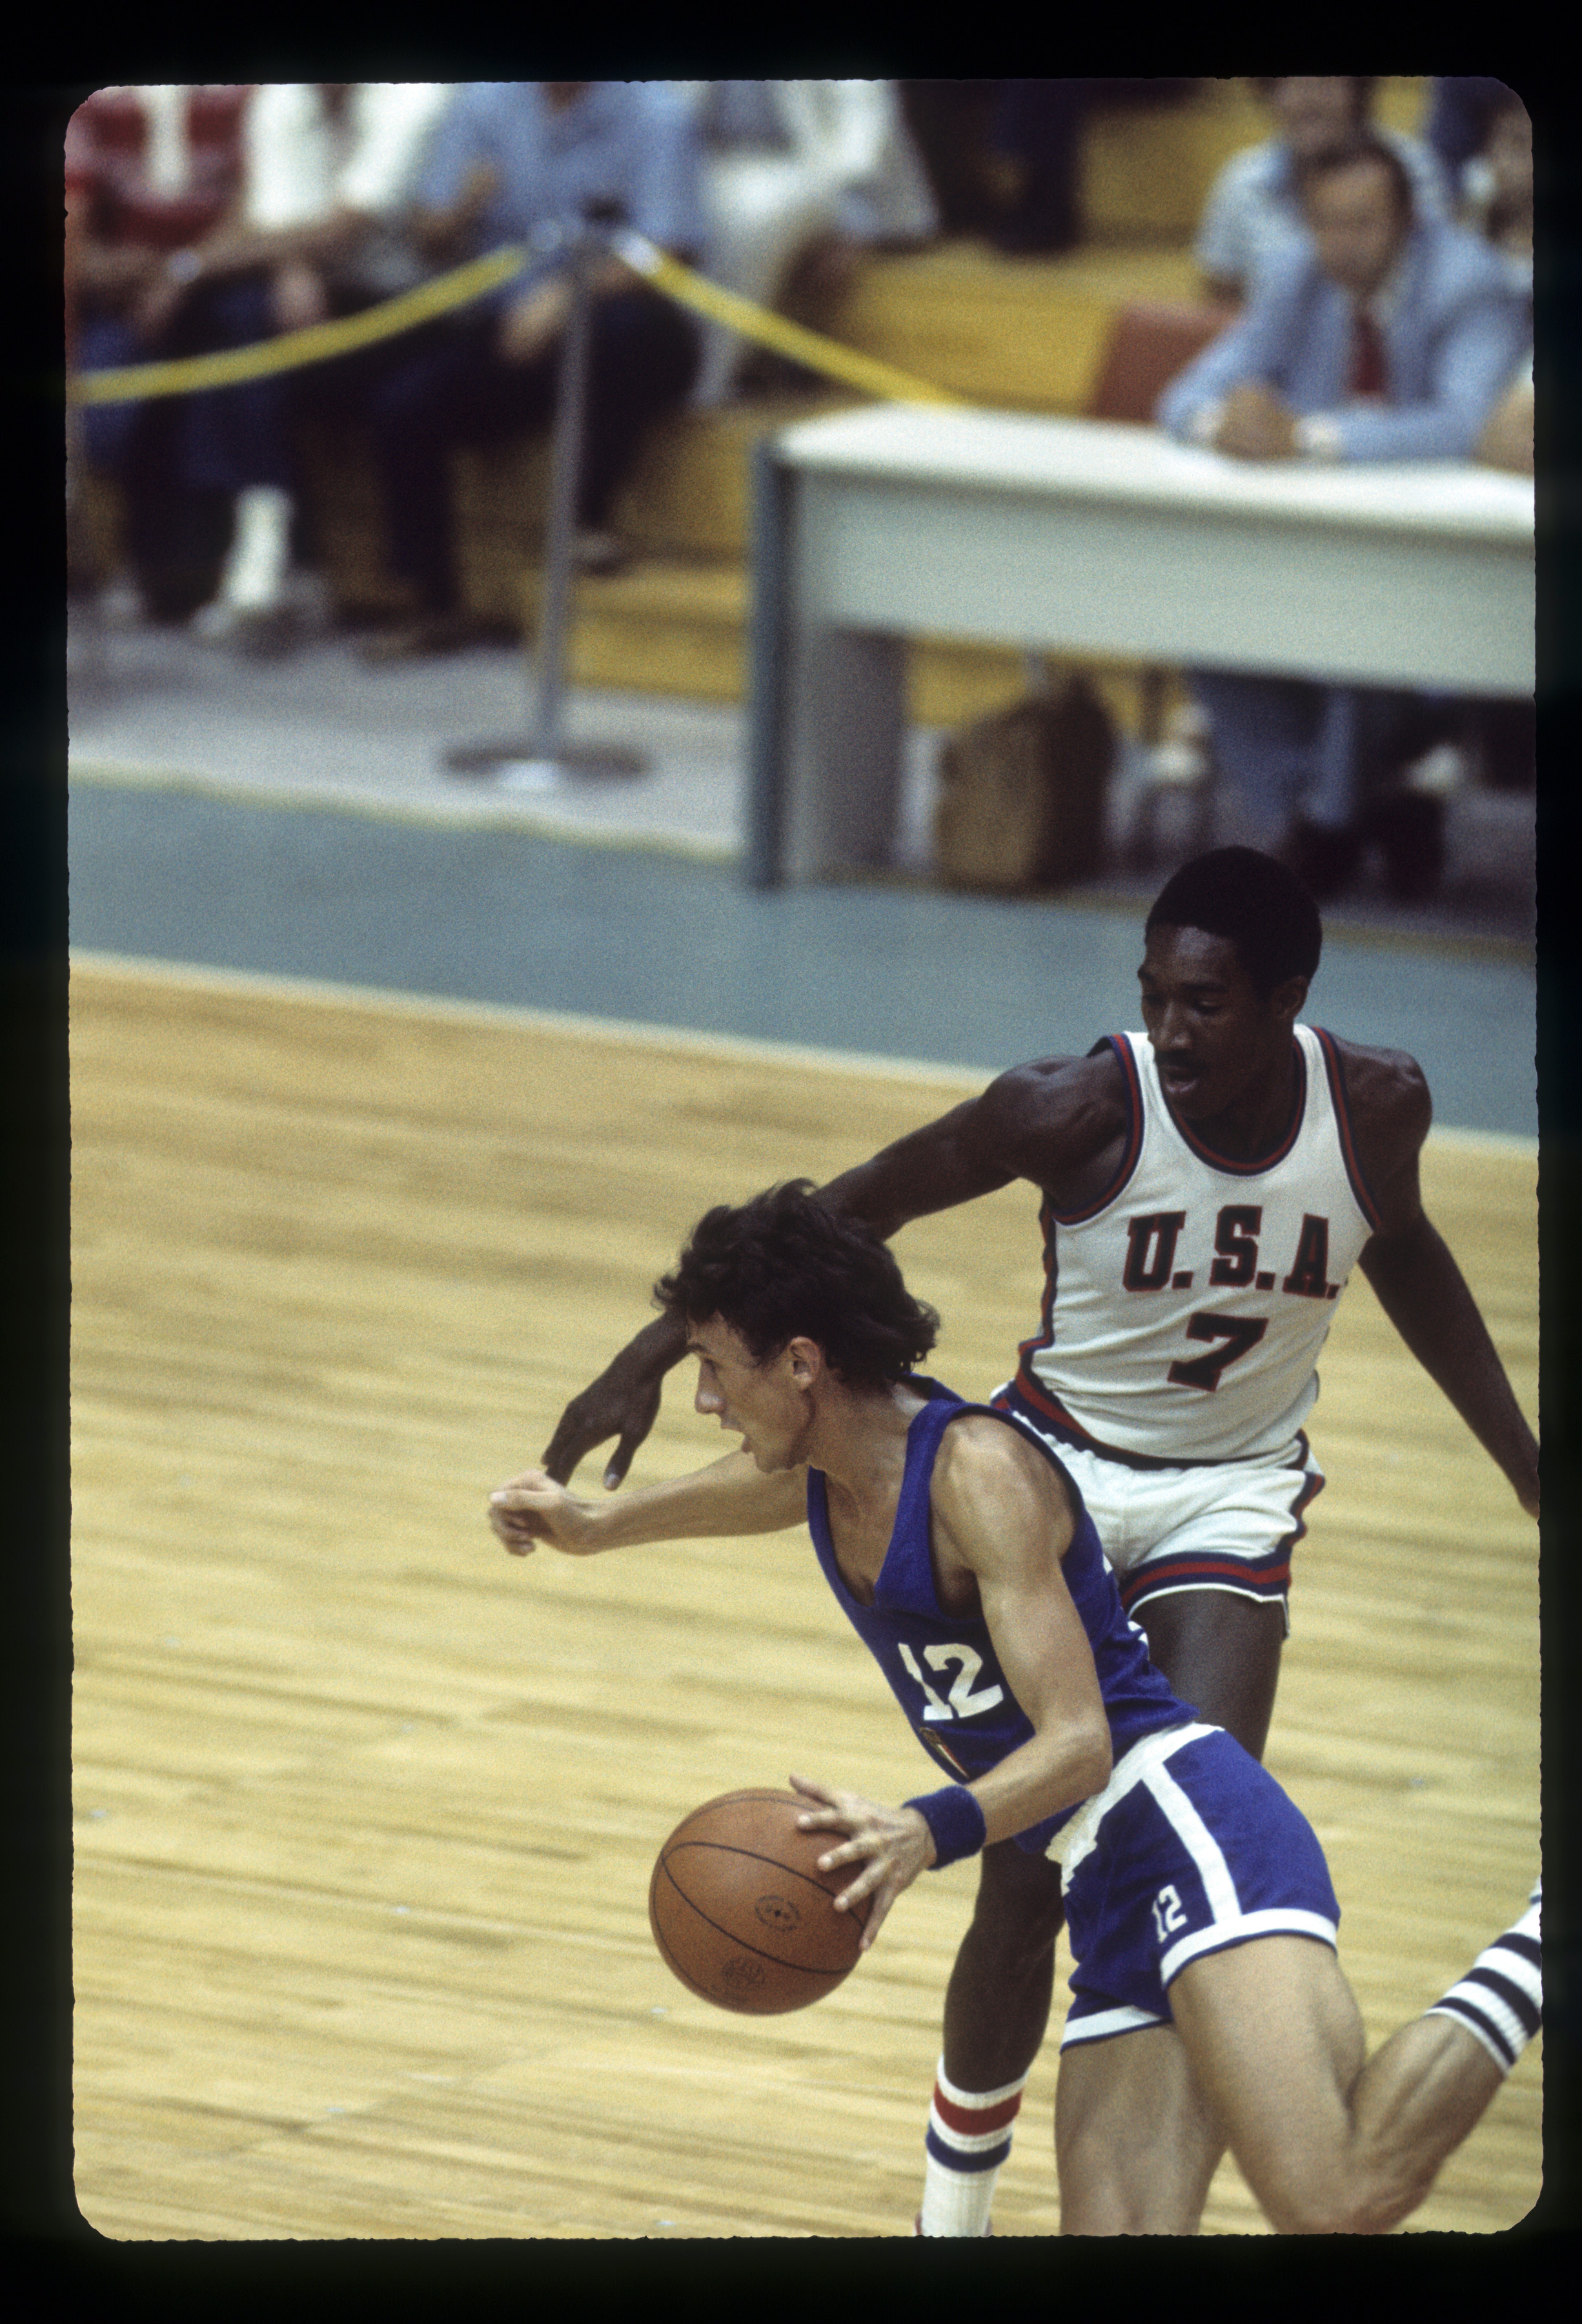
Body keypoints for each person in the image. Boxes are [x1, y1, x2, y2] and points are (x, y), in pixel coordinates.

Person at [534, 844, 1539, 2233]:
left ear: (1287, 996)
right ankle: (955, 2210)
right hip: (1056, 1454)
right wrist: (648, 1365)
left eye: (1206, 1002)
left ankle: (1247, 2043)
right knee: (1032, 1868)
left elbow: (1407, 1247)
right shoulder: (1068, 1112)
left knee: (1136, 1798)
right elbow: (842, 1215)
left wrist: (1527, 1469)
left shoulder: (1373, 1109)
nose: (1173, 1027)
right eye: (1155, 995)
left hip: (1227, 1489)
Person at [1160, 136, 1532, 900]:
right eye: (1326, 222)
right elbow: (1184, 397)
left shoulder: (1470, 282)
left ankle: (1325, 830)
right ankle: (1348, 810)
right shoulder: (1297, 272)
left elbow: (1469, 425)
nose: (1342, 243)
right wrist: (1222, 425)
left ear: (1408, 220)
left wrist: (1310, 436)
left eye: (1363, 223)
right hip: (1310, 547)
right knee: (1198, 612)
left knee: (1365, 623)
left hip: (1440, 566)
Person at [358, 81, 709, 659]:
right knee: (405, 404)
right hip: (507, 326)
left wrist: (568, 295)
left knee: (626, 337)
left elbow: (670, 247)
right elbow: (429, 235)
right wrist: (461, 210)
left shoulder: (654, 111)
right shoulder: (483, 104)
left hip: (617, 321)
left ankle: (588, 520)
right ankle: (431, 599)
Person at [677, 81, 937, 408]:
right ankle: (668, 374)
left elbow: (863, 117)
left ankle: (710, 380)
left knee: (754, 220)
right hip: (708, 160)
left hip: (809, 165)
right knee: (672, 217)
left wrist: (853, 219)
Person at [1195, 77, 1449, 306]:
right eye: (1292, 84)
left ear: (1358, 90)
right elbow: (1220, 309)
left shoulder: (1414, 169)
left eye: (1326, 83)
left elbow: (1438, 281)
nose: (1310, 101)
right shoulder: (1242, 184)